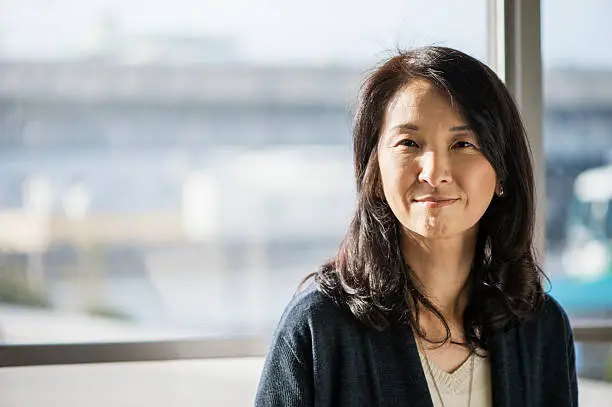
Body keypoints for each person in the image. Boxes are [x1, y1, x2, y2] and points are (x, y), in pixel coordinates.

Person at [255, 46, 577, 407]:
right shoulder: (318, 326)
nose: (435, 172)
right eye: (409, 143)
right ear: (374, 173)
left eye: (462, 143)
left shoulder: (541, 327)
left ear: (502, 172)